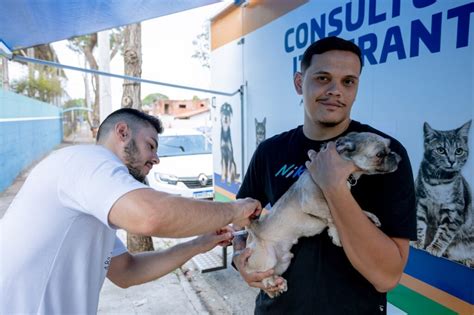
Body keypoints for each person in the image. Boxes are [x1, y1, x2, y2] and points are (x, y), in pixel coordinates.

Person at [0, 108, 262, 314]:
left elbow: (126, 271)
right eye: (150, 145)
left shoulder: (91, 196)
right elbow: (150, 215)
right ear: (123, 132)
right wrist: (235, 209)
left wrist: (199, 244)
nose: (156, 159)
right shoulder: (87, 161)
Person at [232, 36, 416, 314]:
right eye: (322, 78)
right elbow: (238, 222)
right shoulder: (270, 151)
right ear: (299, 83)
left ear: (356, 88)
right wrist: (240, 258)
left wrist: (333, 185)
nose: (335, 91)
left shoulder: (383, 154)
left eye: (348, 82)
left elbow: (387, 277)